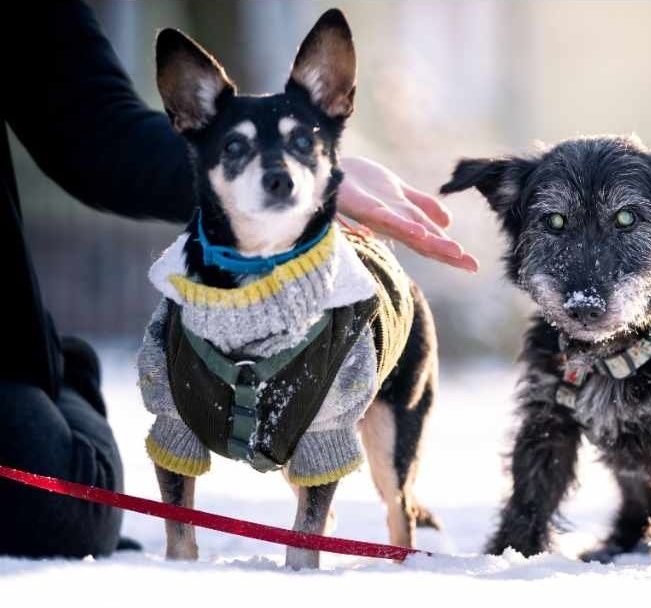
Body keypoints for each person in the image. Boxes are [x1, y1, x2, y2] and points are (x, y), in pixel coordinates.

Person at [0, 1, 476, 558]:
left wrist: (324, 180)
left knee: (51, 518)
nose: (276, 171)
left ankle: (60, 384)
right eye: (240, 149)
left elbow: (93, 130)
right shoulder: (179, 319)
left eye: (301, 144)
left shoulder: (357, 306)